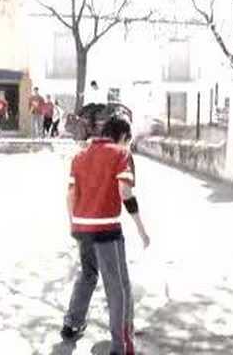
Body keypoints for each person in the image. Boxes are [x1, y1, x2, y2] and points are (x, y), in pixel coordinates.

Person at [61, 114, 150, 355]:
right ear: (123, 137)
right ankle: (120, 346)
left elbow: (70, 195)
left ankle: (71, 324)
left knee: (88, 275)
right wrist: (142, 230)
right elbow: (125, 191)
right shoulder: (121, 154)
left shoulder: (80, 155)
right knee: (117, 286)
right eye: (127, 141)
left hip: (81, 227)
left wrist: (74, 225)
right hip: (107, 230)